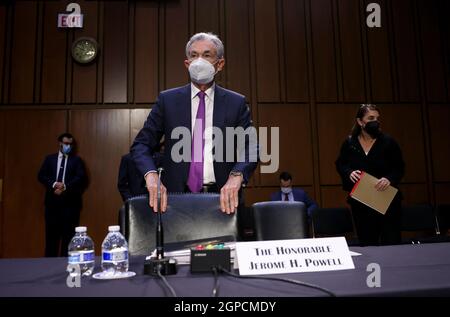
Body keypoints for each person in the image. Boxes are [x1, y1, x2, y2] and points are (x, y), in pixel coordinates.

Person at [131, 32, 258, 214]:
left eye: (207, 55)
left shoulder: (235, 102)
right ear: (187, 63)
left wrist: (237, 176)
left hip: (223, 200)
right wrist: (151, 176)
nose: (199, 60)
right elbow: (141, 145)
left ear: (220, 64)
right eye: (193, 55)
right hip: (174, 201)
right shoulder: (167, 100)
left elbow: (251, 147)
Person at [335, 104, 405, 246]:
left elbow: (399, 167)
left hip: (386, 200)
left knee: (391, 241)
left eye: (377, 118)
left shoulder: (388, 142)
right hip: (362, 202)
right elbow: (341, 164)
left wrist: (389, 179)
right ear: (360, 122)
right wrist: (349, 172)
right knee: (367, 242)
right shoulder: (350, 143)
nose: (376, 121)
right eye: (371, 118)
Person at [38, 133, 87, 257]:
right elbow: (41, 175)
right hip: (52, 205)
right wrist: (54, 184)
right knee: (51, 239)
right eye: (66, 144)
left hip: (70, 206)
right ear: (60, 143)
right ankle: (48, 267)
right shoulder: (50, 159)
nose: (68, 146)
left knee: (68, 239)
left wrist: (65, 186)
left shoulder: (76, 160)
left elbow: (81, 178)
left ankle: (66, 268)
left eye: (70, 144)